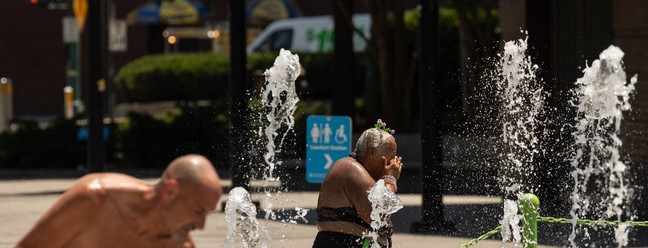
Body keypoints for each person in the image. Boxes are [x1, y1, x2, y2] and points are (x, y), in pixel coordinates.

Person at [16, 154, 223, 248]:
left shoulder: (180, 245)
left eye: (206, 214)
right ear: (170, 190)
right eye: (198, 210)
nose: (201, 225)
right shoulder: (94, 200)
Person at [313, 125, 403, 248]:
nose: (394, 162)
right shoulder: (351, 168)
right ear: (371, 152)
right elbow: (378, 216)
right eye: (391, 156)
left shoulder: (363, 173)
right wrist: (390, 179)